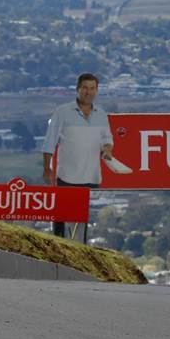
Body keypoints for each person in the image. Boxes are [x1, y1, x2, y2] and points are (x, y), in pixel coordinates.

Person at [42, 73, 113, 238]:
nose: (89, 92)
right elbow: (49, 142)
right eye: (85, 88)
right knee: (61, 218)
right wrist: (47, 169)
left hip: (92, 178)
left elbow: (107, 139)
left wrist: (108, 149)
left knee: (84, 222)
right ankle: (58, 247)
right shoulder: (62, 112)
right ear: (78, 89)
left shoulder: (101, 114)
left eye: (92, 88)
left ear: (97, 90)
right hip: (67, 177)